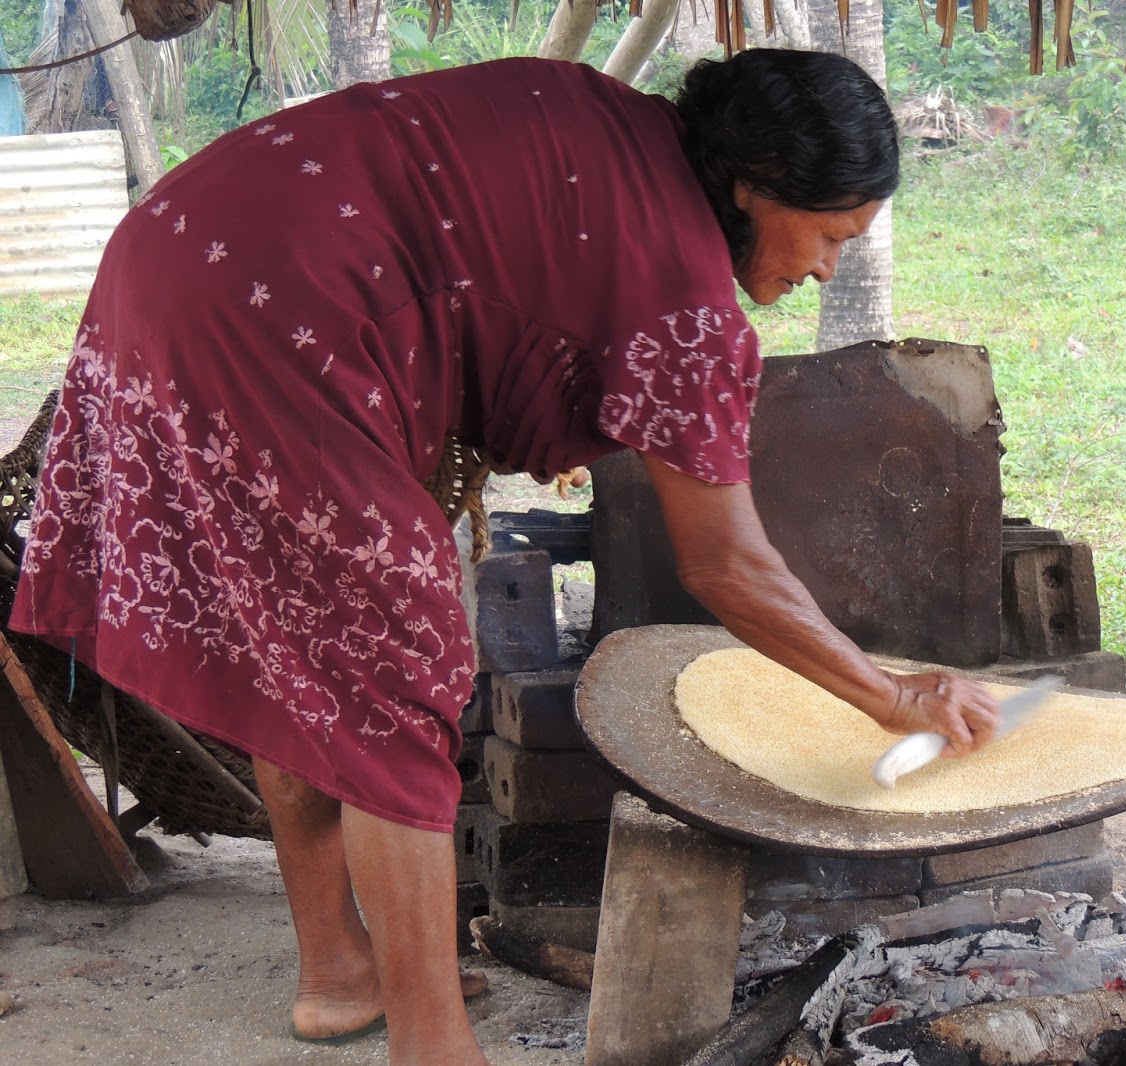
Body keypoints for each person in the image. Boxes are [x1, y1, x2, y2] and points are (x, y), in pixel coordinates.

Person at [10, 49, 1001, 1064]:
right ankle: (435, 1046)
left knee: (302, 650)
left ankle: (341, 974)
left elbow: (485, 254)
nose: (828, 266)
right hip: (275, 318)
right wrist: (891, 695)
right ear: (754, 185)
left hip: (173, 256)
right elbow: (727, 568)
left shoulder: (615, 124)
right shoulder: (683, 290)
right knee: (392, 666)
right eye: (831, 234)